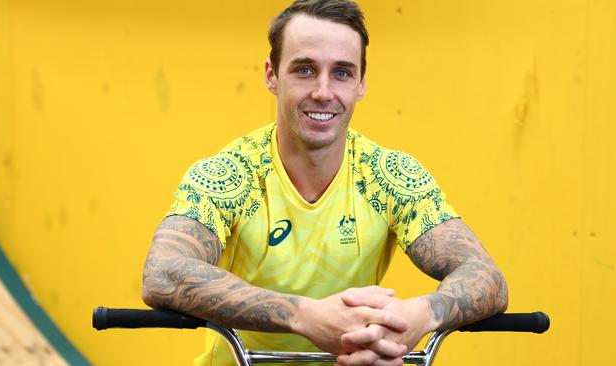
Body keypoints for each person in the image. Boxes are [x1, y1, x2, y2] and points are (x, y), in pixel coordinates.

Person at [141, 1, 508, 365]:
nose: (322, 91)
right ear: (271, 75)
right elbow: (163, 272)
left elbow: (486, 277)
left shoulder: (389, 174)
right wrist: (306, 317)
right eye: (304, 70)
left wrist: (416, 317)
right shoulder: (230, 173)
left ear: (361, 83)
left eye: (342, 73)